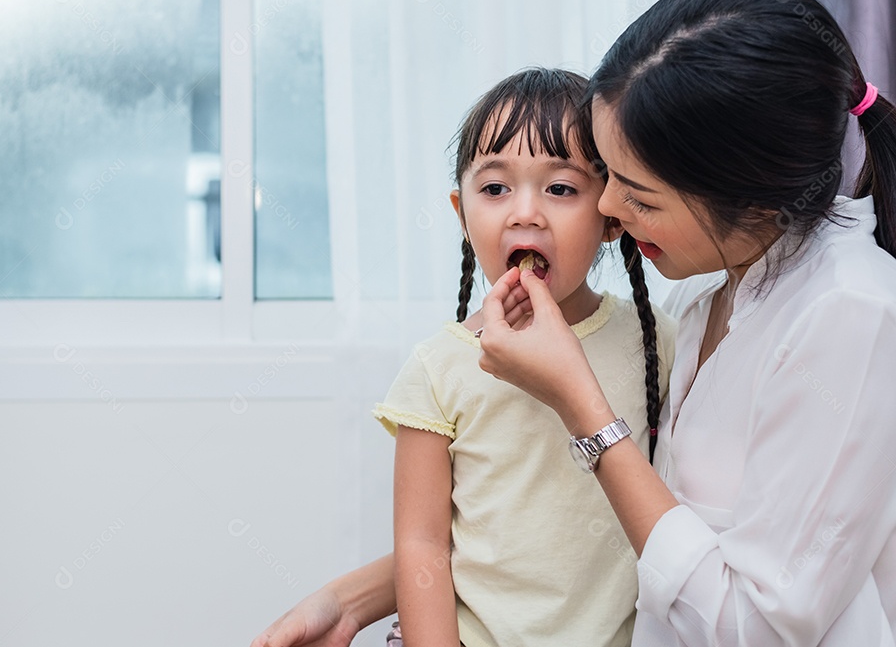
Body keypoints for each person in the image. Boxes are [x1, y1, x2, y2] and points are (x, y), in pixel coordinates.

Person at [252, 0, 896, 646]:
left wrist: (579, 402)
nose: (611, 209)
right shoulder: (710, 290)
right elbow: (594, 527)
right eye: (611, 177)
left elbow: (749, 623)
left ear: (752, 199)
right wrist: (352, 598)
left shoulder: (845, 313)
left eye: (633, 195)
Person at [256, 68, 677, 647]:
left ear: (608, 215)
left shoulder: (659, 343)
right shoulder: (437, 368)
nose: (525, 213)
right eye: (495, 188)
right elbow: (424, 545)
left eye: (560, 188)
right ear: (460, 211)